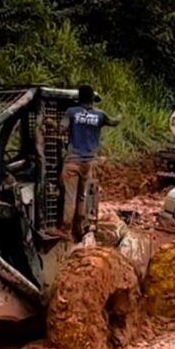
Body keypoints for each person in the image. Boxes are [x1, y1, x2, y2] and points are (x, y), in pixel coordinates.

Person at [59, 84, 119, 238]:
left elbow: (62, 129)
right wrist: (121, 114)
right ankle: (79, 226)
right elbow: (114, 122)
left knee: (70, 195)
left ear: (78, 98)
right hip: (89, 162)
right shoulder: (100, 115)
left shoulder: (72, 112)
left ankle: (65, 229)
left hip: (73, 160)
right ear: (93, 98)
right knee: (82, 195)